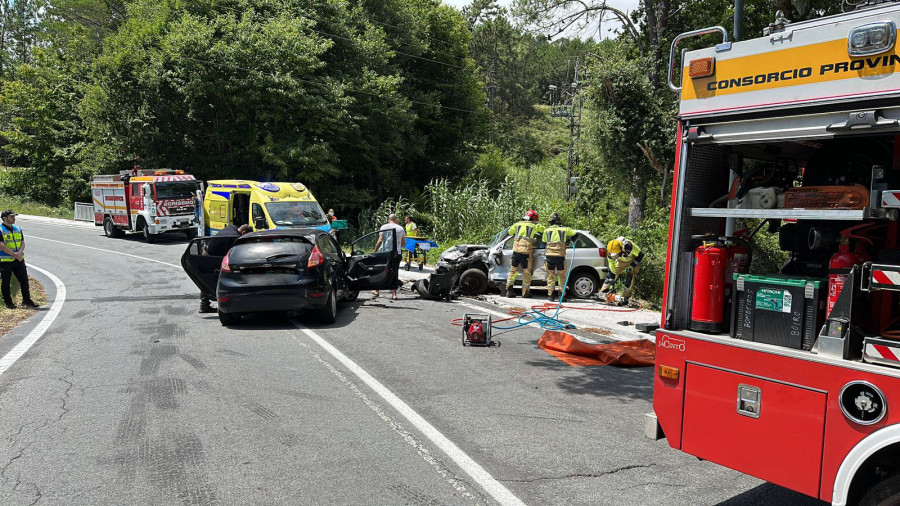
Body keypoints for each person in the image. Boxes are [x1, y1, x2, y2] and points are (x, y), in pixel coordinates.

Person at [199, 224, 251, 313]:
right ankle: (205, 305)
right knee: (216, 278)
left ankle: (204, 304)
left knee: (210, 278)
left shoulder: (232, 227)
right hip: (211, 256)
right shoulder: (234, 237)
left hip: (207, 251)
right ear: (243, 232)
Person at [0, 210, 38, 309]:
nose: (14, 218)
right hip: (5, 261)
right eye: (11, 217)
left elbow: (22, 242)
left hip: (19, 260)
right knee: (6, 282)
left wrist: (20, 253)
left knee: (24, 280)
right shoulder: (0, 230)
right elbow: (1, 245)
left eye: (14, 216)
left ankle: (27, 300)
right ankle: (8, 302)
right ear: (5, 218)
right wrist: (14, 254)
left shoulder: (18, 229)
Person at [504, 209, 544, 298]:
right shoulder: (534, 226)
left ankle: (509, 291)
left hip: (516, 252)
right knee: (527, 273)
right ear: (533, 219)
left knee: (513, 271)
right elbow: (543, 230)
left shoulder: (517, 224)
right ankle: (525, 293)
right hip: (526, 253)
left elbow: (510, 232)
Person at [600, 236, 644, 306]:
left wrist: (632, 265)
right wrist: (612, 278)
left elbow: (641, 255)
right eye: (613, 256)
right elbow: (612, 266)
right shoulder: (610, 252)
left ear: (621, 249)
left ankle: (625, 298)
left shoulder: (629, 246)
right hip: (622, 260)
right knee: (611, 276)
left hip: (634, 259)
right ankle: (605, 293)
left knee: (629, 277)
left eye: (616, 255)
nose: (614, 257)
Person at [543, 213, 576, 302]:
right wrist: (570, 240)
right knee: (561, 276)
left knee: (550, 276)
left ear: (550, 222)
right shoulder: (565, 229)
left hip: (550, 257)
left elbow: (543, 241)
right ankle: (562, 295)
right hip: (560, 257)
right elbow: (576, 234)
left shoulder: (547, 231)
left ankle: (551, 296)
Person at [373, 213, 405, 301]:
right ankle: (394, 294)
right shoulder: (400, 228)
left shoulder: (384, 227)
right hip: (396, 253)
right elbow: (403, 242)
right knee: (395, 272)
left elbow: (380, 240)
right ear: (396, 220)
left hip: (386, 253)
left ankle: (377, 290)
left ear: (388, 220)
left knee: (382, 270)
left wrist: (375, 251)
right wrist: (398, 247)